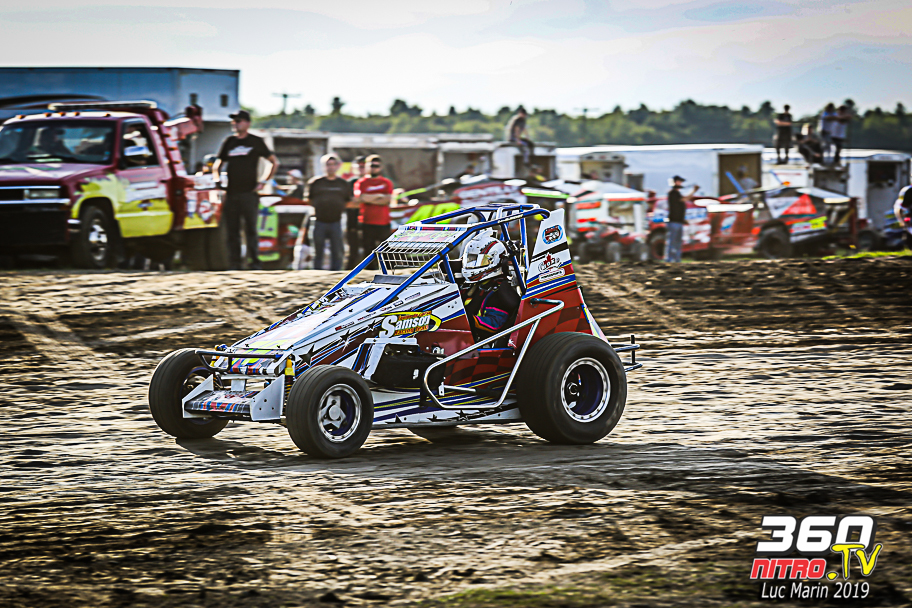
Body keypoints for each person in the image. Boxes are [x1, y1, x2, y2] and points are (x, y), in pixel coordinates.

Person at [211, 110, 279, 270]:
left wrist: (263, 181)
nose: (235, 124)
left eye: (239, 121)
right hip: (231, 193)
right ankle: (234, 263)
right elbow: (218, 164)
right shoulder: (229, 142)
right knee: (232, 231)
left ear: (247, 123)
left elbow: (273, 162)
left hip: (249, 193)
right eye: (233, 121)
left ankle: (254, 263)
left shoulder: (255, 142)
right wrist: (217, 179)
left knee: (251, 230)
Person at [460, 230, 520, 339]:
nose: (472, 264)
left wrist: (467, 320)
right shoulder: (470, 285)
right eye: (470, 259)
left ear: (494, 260)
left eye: (481, 260)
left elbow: (495, 324)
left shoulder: (500, 290)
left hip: (481, 342)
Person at [306, 154, 351, 271]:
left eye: (333, 164)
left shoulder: (343, 184)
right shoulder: (316, 182)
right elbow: (308, 200)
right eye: (328, 165)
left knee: (337, 252)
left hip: (336, 222)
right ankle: (316, 274)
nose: (331, 167)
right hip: (318, 221)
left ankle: (337, 275)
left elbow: (348, 201)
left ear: (338, 166)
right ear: (323, 166)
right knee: (317, 252)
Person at [354, 155, 393, 270]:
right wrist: (379, 196)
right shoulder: (361, 182)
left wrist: (370, 198)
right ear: (366, 166)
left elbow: (387, 200)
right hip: (367, 222)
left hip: (383, 222)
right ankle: (370, 272)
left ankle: (388, 272)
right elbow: (360, 198)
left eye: (376, 166)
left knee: (386, 250)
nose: (374, 168)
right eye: (371, 166)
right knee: (368, 250)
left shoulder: (386, 182)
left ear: (380, 167)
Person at [665, 175, 698, 263]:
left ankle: (676, 259)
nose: (680, 183)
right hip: (674, 222)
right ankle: (670, 259)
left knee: (677, 242)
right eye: (679, 182)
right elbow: (684, 199)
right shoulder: (673, 193)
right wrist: (693, 191)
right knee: (672, 241)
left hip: (679, 222)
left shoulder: (677, 193)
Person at [345, 156, 366, 269]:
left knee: (369, 248)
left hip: (370, 220)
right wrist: (368, 200)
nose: (361, 168)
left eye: (363, 166)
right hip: (352, 219)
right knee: (353, 248)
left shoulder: (374, 181)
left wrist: (361, 200)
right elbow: (347, 202)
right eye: (359, 166)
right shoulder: (350, 182)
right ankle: (350, 270)